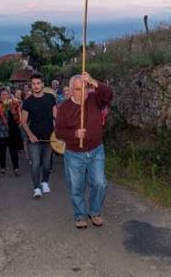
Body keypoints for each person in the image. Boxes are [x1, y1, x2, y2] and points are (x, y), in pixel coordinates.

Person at [55, 72, 113, 229]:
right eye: (80, 89)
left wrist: (93, 81)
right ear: (72, 90)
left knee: (100, 183)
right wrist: (74, 134)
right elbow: (59, 132)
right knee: (76, 186)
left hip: (96, 150)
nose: (84, 92)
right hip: (74, 153)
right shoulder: (64, 108)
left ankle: (94, 212)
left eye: (86, 88)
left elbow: (109, 94)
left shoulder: (94, 99)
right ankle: (80, 215)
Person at [21, 74, 57, 198]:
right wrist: (30, 135)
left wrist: (60, 130)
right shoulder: (28, 102)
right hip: (34, 139)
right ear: (31, 85)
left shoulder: (50, 98)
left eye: (38, 83)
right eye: (33, 84)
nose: (36, 86)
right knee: (35, 163)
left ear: (42, 84)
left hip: (49, 138)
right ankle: (36, 188)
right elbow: (24, 121)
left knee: (47, 164)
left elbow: (56, 116)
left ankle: (45, 181)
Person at [0, 88, 22, 176]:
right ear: (0, 96)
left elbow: (18, 118)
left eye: (6, 94)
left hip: (12, 130)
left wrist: (13, 113)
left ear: (9, 95)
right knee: (2, 150)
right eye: (2, 94)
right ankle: (2, 168)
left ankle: (16, 168)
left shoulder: (14, 104)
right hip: (1, 131)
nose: (4, 96)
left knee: (13, 150)